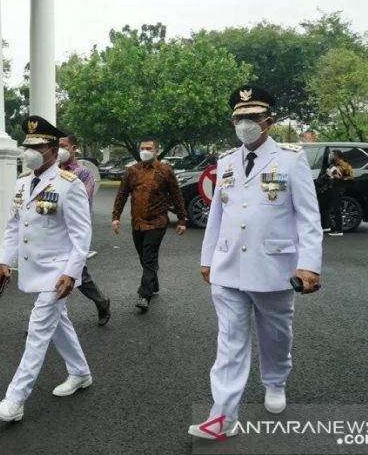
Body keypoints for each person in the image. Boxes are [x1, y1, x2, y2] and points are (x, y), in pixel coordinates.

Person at [189, 85, 323, 439]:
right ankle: (223, 418)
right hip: (229, 266)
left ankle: (275, 380)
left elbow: (308, 218)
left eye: (252, 117)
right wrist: (208, 259)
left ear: (269, 121)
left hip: (275, 267)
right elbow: (216, 214)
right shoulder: (226, 161)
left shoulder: (291, 159)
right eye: (239, 118)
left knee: (275, 334)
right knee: (229, 342)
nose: (245, 123)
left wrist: (309, 265)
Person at [0, 116, 93, 422]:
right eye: (27, 145)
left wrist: (71, 272)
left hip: (57, 272)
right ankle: (80, 372)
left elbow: (81, 234)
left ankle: (14, 401)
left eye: (37, 146)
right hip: (35, 270)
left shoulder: (68, 185)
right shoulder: (22, 183)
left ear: (52, 149)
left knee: (38, 329)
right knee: (60, 324)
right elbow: (13, 226)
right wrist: (5, 261)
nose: (29, 151)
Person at [110, 138, 187, 312]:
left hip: (157, 222)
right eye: (142, 148)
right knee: (144, 257)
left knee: (149, 255)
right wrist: (116, 217)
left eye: (149, 148)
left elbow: (177, 195)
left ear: (156, 151)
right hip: (137, 223)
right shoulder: (132, 171)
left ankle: (144, 295)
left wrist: (182, 220)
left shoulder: (165, 171)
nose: (145, 151)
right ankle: (154, 284)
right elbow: (122, 195)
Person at [58, 133, 112, 326]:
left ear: (74, 148)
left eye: (64, 145)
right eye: (57, 146)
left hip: (73, 229)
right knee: (65, 271)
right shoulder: (51, 170)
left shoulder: (82, 173)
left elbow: (83, 202)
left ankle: (101, 302)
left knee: (76, 270)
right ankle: (101, 302)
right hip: (54, 230)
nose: (60, 150)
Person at [325, 150, 354, 236]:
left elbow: (351, 176)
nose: (331, 157)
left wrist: (340, 178)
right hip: (335, 188)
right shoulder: (335, 165)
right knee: (332, 207)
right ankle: (332, 228)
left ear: (337, 156)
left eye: (333, 155)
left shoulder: (343, 165)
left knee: (337, 208)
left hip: (339, 188)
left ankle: (338, 230)